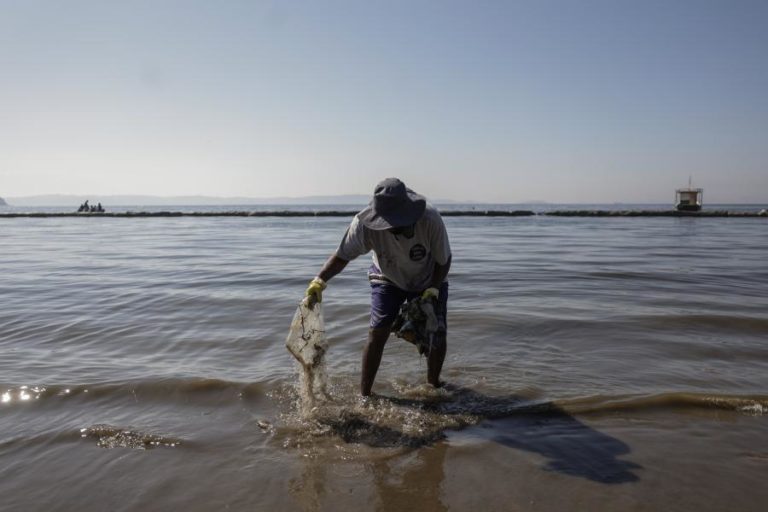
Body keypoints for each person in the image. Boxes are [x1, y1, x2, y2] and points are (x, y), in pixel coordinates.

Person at [305, 178, 452, 396]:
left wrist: (433, 289)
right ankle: (365, 394)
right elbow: (341, 256)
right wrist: (319, 280)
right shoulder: (364, 225)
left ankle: (433, 386)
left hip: (429, 278)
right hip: (387, 276)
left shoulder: (430, 219)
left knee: (436, 333)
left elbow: (444, 260)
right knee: (377, 332)